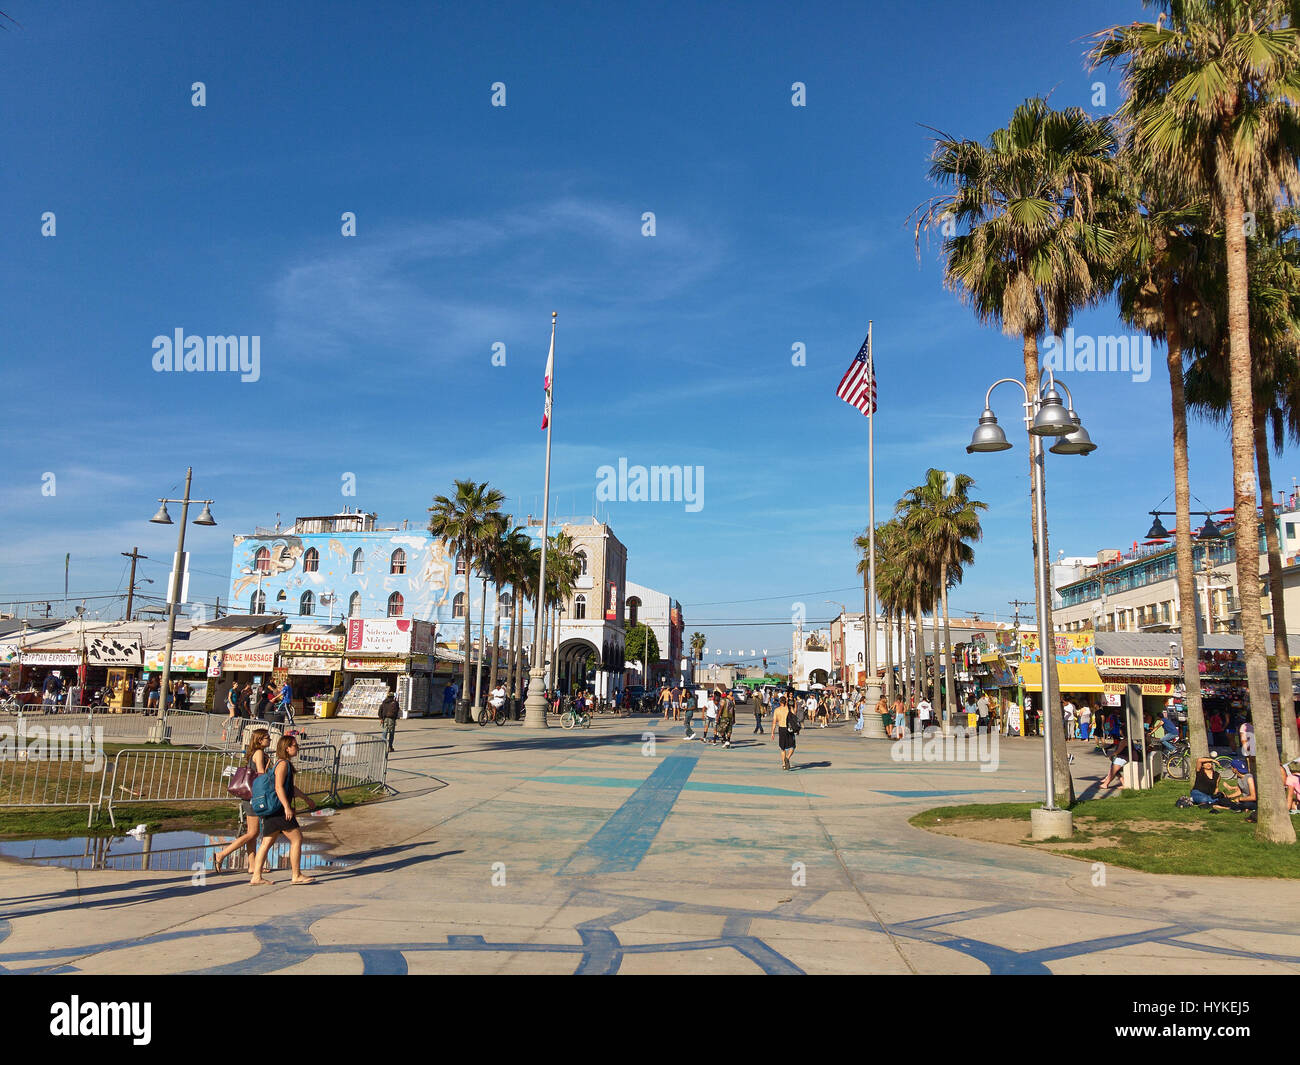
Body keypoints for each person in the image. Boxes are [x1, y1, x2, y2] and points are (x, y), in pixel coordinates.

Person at [249, 734, 319, 886]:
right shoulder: (283, 764)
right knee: (297, 839)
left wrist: (306, 798)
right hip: (280, 810)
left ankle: (256, 877)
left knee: (267, 842)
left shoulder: (283, 764)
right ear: (287, 748)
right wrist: (287, 807)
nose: (297, 748)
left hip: (274, 810)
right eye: (295, 745)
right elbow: (278, 787)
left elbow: (290, 787)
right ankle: (296, 875)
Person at [213, 729, 271, 873]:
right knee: (252, 833)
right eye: (266, 738)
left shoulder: (256, 752)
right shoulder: (259, 753)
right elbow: (261, 773)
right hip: (254, 796)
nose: (269, 740)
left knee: (253, 833)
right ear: (259, 740)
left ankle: (252, 865)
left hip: (250, 796)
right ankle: (222, 854)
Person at [772, 695, 798, 771]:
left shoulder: (777, 710)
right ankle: (787, 758)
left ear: (780, 702)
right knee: (792, 746)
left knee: (782, 748)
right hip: (789, 729)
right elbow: (795, 716)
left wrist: (772, 732)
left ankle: (784, 764)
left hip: (781, 728)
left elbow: (774, 722)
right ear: (786, 702)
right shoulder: (790, 709)